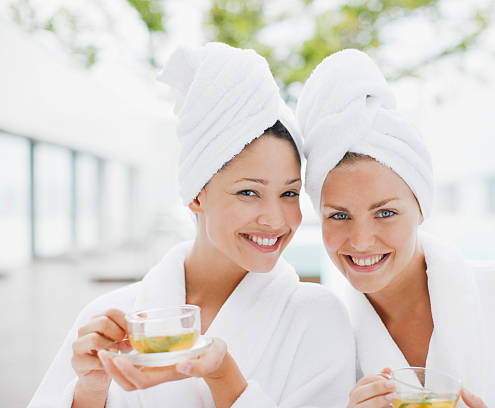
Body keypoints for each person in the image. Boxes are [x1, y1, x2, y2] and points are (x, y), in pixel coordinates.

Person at [29, 43, 355, 408]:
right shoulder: (112, 317)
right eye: (249, 192)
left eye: (289, 194)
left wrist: (225, 379)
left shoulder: (317, 318)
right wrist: (89, 391)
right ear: (196, 195)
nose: (276, 219)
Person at [295, 49, 495, 408]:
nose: (361, 240)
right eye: (338, 216)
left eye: (385, 213)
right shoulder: (323, 345)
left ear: (420, 208)